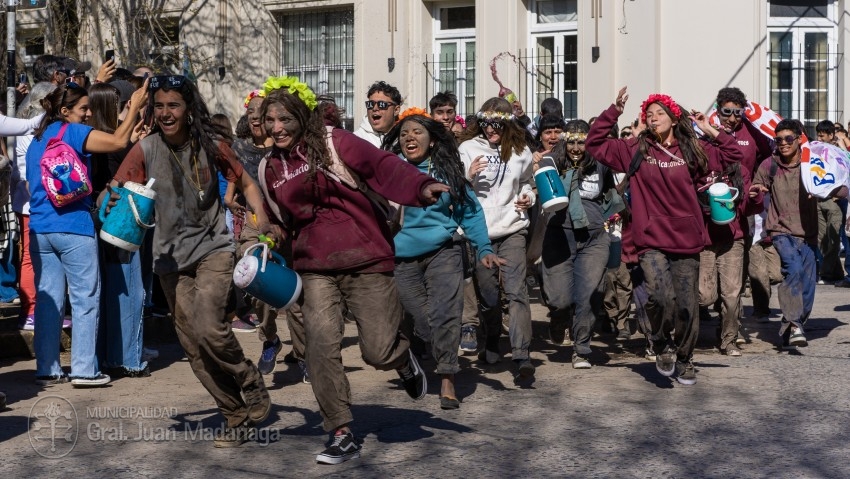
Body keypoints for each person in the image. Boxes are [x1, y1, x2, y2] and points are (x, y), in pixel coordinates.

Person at [257, 77, 447, 464]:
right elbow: (280, 221)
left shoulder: (334, 142)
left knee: (376, 351)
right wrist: (264, 241)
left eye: (284, 119)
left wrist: (422, 185)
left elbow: (383, 166)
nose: (276, 128)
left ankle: (401, 358)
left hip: (366, 259)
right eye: (269, 120)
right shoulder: (270, 167)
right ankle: (340, 431)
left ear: (301, 117)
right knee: (320, 349)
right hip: (314, 268)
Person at [107, 74, 272, 447]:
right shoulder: (145, 149)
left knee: (211, 328)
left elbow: (245, 183)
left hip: (213, 248)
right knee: (194, 347)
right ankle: (235, 415)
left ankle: (248, 378)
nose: (166, 113)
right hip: (168, 260)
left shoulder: (211, 144)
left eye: (174, 105)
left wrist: (262, 222)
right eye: (160, 106)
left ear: (188, 109)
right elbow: (115, 190)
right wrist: (110, 200)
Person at [586, 87, 743, 385]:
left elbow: (733, 155)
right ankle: (660, 344)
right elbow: (594, 143)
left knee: (686, 305)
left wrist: (710, 129)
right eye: (649, 114)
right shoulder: (634, 148)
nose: (653, 118)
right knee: (658, 297)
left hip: (686, 240)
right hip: (651, 239)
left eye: (660, 113)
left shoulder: (693, 148)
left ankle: (685, 358)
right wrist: (614, 111)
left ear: (673, 118)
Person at [27, 80, 148, 387]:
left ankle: (47, 367)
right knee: (85, 298)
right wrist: (134, 105)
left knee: (50, 301)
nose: (88, 113)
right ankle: (83, 369)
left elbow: (32, 185)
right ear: (65, 111)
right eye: (83, 108)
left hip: (40, 228)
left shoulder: (37, 139)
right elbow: (119, 141)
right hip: (75, 229)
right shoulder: (75, 133)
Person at [383, 108, 499, 410]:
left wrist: (484, 248)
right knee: (423, 321)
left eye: (417, 132)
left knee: (447, 313)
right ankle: (434, 356)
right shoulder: (391, 170)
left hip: (443, 252)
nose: (410, 137)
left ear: (432, 141)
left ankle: (448, 379)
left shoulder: (446, 172)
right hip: (402, 258)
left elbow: (470, 212)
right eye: (405, 133)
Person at [749, 120, 847, 348]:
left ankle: (794, 323)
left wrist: (825, 189)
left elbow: (842, 189)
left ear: (799, 139)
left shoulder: (812, 165)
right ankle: (794, 323)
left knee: (808, 283)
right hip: (780, 230)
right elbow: (755, 188)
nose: (783, 143)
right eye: (779, 139)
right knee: (792, 271)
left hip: (809, 234)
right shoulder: (769, 164)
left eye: (788, 139)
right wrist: (757, 192)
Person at [458, 97, 536, 378]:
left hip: (513, 228)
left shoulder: (522, 151)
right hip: (480, 234)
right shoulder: (467, 148)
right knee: (489, 297)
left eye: (497, 124)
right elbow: (454, 187)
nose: (491, 129)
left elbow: (528, 181)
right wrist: (467, 176)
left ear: (507, 124)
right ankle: (491, 338)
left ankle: (521, 355)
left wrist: (528, 197)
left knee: (516, 292)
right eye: (486, 123)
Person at [231, 89, 306, 379]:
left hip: (288, 226)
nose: (256, 119)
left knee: (296, 299)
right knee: (258, 285)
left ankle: (303, 353)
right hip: (255, 224)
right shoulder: (240, 149)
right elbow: (230, 181)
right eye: (252, 113)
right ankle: (270, 340)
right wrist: (232, 199)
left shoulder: (290, 148)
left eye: (261, 114)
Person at [541, 120, 617, 368]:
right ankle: (559, 318)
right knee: (560, 299)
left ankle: (581, 347)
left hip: (593, 238)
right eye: (571, 142)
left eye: (581, 142)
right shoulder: (551, 162)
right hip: (559, 236)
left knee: (587, 295)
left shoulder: (601, 164)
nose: (576, 147)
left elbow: (611, 192)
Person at [88, 82, 150, 378]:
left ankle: (111, 357)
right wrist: (136, 108)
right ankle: (129, 358)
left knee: (111, 290)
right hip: (119, 219)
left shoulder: (96, 139)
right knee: (129, 289)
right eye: (118, 104)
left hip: (102, 219)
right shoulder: (109, 140)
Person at [13, 82, 56, 331]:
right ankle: (30, 311)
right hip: (32, 205)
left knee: (33, 256)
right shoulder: (30, 132)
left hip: (32, 203)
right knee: (30, 257)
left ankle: (34, 309)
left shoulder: (34, 129)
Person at [813, 120, 844, 283]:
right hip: (819, 199)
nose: (819, 138)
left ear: (831, 135)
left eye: (822, 135)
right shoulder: (816, 151)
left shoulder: (840, 153)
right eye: (818, 134)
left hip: (835, 201)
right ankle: (837, 272)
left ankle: (825, 273)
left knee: (833, 239)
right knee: (821, 239)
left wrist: (839, 194)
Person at [354, 80, 402, 147]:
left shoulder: (403, 137)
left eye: (381, 104)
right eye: (370, 104)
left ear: (396, 110)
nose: (375, 108)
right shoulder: (356, 139)